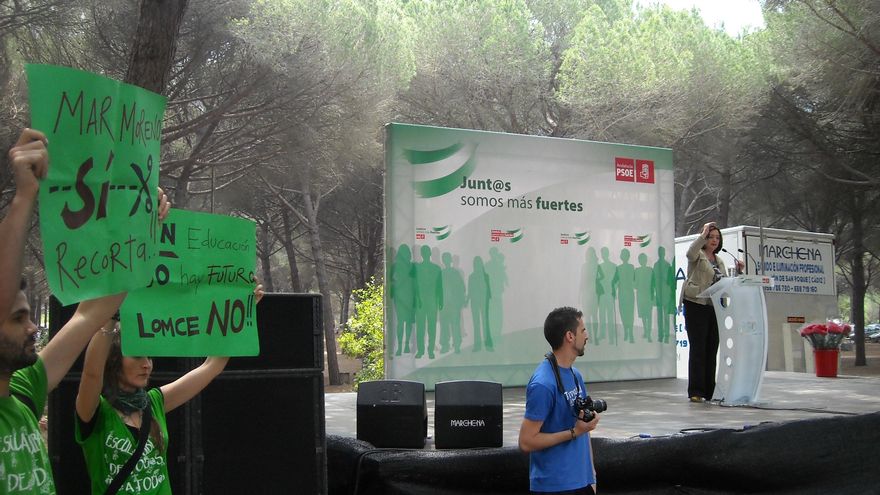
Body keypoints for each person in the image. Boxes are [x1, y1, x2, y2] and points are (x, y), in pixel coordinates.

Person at [1, 128, 172, 494]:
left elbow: (89, 314)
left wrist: (144, 234)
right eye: (18, 318)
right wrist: (24, 199)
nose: (34, 328)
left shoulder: (25, 391)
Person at [74, 283, 264, 494]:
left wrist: (241, 310)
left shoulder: (153, 402)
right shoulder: (94, 411)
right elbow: (91, 373)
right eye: (137, 356)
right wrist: (112, 316)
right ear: (113, 361)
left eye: (149, 356)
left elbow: (211, 366)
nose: (146, 364)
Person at [519, 307, 599, 494]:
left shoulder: (575, 375)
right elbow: (526, 441)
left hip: (582, 482)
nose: (586, 336)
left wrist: (591, 476)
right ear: (570, 336)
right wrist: (573, 432)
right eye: (583, 330)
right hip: (554, 486)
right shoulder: (543, 384)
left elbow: (584, 429)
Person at [681, 222, 743, 402]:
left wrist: (738, 273)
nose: (714, 240)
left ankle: (709, 391)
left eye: (717, 237)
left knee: (711, 347)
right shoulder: (697, 255)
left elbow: (724, 283)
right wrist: (703, 233)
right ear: (704, 238)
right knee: (698, 348)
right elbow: (689, 252)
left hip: (714, 307)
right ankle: (696, 391)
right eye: (711, 237)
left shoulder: (720, 260)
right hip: (696, 304)